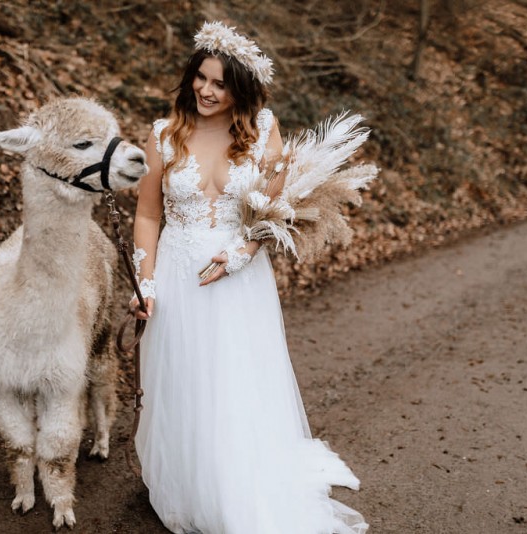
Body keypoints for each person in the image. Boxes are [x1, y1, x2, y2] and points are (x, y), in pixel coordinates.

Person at [130, 21, 368, 534]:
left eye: (221, 84)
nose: (206, 91)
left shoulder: (262, 130)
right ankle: (188, 483)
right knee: (183, 384)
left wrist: (245, 249)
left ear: (240, 89)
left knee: (236, 382)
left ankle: (238, 486)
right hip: (176, 274)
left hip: (239, 279)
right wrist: (145, 283)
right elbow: (147, 215)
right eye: (201, 78)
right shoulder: (163, 135)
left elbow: (276, 211)